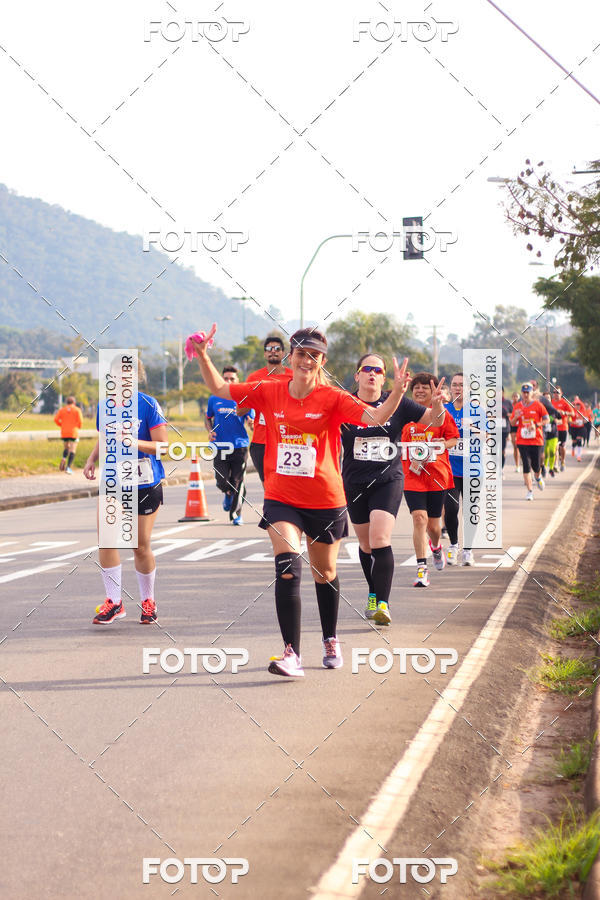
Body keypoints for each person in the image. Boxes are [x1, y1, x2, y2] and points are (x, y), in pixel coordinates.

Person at [191, 324, 438, 678]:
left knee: (326, 573)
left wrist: (397, 391)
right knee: (288, 564)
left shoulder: (333, 398)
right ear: (290, 358)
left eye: (314, 355)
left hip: (325, 498)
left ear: (322, 361)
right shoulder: (269, 391)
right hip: (281, 497)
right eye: (301, 353)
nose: (307, 360)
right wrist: (202, 355)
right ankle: (291, 653)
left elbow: (376, 416)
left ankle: (330, 638)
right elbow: (218, 388)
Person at [340, 353, 442, 625]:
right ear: (357, 375)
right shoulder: (344, 403)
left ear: (384, 377)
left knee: (380, 539)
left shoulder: (396, 402)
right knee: (365, 544)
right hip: (354, 481)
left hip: (388, 479)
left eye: (378, 370)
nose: (372, 374)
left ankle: (383, 604)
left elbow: (435, 420)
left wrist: (438, 405)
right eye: (367, 369)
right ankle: (373, 592)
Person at [83, 359, 168, 625]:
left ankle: (148, 600)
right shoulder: (104, 406)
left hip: (144, 481)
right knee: (107, 539)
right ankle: (114, 602)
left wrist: (135, 442)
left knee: (140, 546)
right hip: (113, 482)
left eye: (129, 374)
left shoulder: (148, 404)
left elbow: (163, 446)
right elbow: (104, 438)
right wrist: (92, 458)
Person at [401, 373, 459, 587]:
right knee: (419, 519)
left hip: (437, 476)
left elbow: (453, 438)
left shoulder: (441, 414)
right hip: (412, 475)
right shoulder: (404, 414)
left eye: (425, 387)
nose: (420, 390)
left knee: (434, 527)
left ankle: (436, 547)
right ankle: (421, 568)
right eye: (416, 387)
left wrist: (442, 445)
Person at [206, 366, 254, 525]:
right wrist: (210, 430)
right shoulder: (214, 398)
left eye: (232, 379)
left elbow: (250, 419)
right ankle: (227, 493)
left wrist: (251, 424)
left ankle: (236, 514)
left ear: (237, 380)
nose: (228, 381)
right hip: (219, 446)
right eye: (225, 378)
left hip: (240, 446)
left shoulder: (243, 399)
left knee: (238, 482)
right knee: (222, 480)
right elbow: (208, 418)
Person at [245, 336, 292, 483]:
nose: (273, 352)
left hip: (287, 440)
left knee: (286, 484)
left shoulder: (293, 377)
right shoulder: (254, 377)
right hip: (261, 442)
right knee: (268, 485)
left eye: (277, 349)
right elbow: (240, 409)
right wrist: (257, 397)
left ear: (283, 353)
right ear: (265, 354)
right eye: (269, 349)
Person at [443, 372, 475, 566]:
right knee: (452, 508)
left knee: (470, 511)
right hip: (450, 469)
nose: (457, 388)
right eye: (454, 384)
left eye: (461, 385)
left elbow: (488, 437)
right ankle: (454, 545)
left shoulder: (477, 411)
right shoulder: (444, 409)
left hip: (472, 469)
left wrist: (473, 428)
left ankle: (468, 550)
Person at [510, 382, 549, 499]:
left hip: (536, 440)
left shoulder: (538, 405)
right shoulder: (517, 406)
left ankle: (538, 477)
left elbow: (547, 420)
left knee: (536, 466)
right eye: (524, 392)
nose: (526, 395)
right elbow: (512, 423)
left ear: (532, 393)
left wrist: (536, 425)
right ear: (521, 393)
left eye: (528, 392)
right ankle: (530, 491)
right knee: (526, 466)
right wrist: (516, 416)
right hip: (522, 441)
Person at [54, 396, 83, 473]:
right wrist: (78, 427)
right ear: (74, 402)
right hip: (73, 432)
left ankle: (64, 457)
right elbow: (80, 421)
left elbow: (56, 419)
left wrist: (61, 425)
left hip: (64, 432)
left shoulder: (62, 410)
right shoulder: (77, 410)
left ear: (66, 402)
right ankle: (68, 467)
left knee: (66, 447)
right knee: (73, 449)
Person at [551, 386, 571, 472]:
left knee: (562, 446)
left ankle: (562, 462)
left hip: (563, 427)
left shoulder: (564, 403)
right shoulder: (550, 402)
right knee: (555, 447)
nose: (555, 394)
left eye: (557, 392)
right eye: (554, 392)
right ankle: (555, 464)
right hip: (553, 428)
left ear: (561, 394)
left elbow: (572, 413)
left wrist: (565, 412)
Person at [542, 391, 559, 477]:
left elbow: (561, 419)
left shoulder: (554, 409)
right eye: (545, 398)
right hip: (544, 434)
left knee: (552, 451)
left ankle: (551, 468)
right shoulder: (540, 408)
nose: (547, 399)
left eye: (548, 398)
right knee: (545, 453)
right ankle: (544, 468)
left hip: (553, 433)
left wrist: (557, 421)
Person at [570, 396, 587, 462]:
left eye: (578, 405)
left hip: (581, 428)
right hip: (573, 427)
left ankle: (579, 456)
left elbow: (586, 419)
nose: (577, 406)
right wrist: (573, 422)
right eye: (576, 405)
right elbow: (568, 420)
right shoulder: (572, 411)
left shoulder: (583, 411)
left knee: (579, 441)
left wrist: (583, 421)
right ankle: (573, 449)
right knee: (574, 442)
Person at [501, 387, 513, 471]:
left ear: (503, 393)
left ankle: (501, 468)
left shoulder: (507, 402)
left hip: (504, 430)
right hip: (494, 430)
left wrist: (506, 414)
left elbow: (512, 414)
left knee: (502, 450)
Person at [511, 391, 521, 471]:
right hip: (513, 426)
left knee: (520, 446)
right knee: (515, 446)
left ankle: (521, 458)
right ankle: (517, 465)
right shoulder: (510, 405)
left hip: (520, 426)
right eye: (514, 396)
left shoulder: (521, 405)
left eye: (516, 396)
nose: (515, 398)